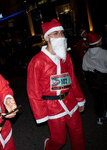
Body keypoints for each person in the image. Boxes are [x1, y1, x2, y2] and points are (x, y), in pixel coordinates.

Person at [27, 19, 86, 150]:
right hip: (52, 107)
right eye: (55, 33)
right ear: (47, 37)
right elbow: (33, 91)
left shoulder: (66, 56)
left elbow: (72, 78)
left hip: (70, 101)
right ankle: (49, 146)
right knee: (59, 140)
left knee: (78, 133)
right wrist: (40, 113)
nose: (60, 36)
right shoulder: (37, 61)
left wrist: (80, 99)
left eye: (61, 33)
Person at [82, 31, 107, 125]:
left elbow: (84, 68)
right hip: (104, 80)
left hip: (93, 82)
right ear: (98, 43)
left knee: (97, 100)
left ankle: (99, 117)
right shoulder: (104, 53)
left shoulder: (86, 54)